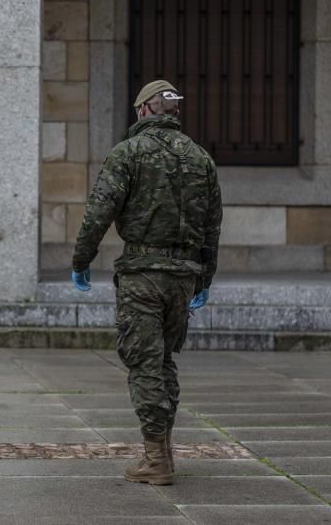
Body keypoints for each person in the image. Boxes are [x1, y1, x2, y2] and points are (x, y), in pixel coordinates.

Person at [71, 79, 222, 485]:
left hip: (142, 275)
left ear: (142, 110)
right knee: (163, 361)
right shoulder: (201, 158)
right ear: (172, 112)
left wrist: (81, 260)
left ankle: (156, 459)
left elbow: (99, 213)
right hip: (184, 279)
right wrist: (205, 277)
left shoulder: (128, 153)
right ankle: (164, 453)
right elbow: (212, 227)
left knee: (144, 363)